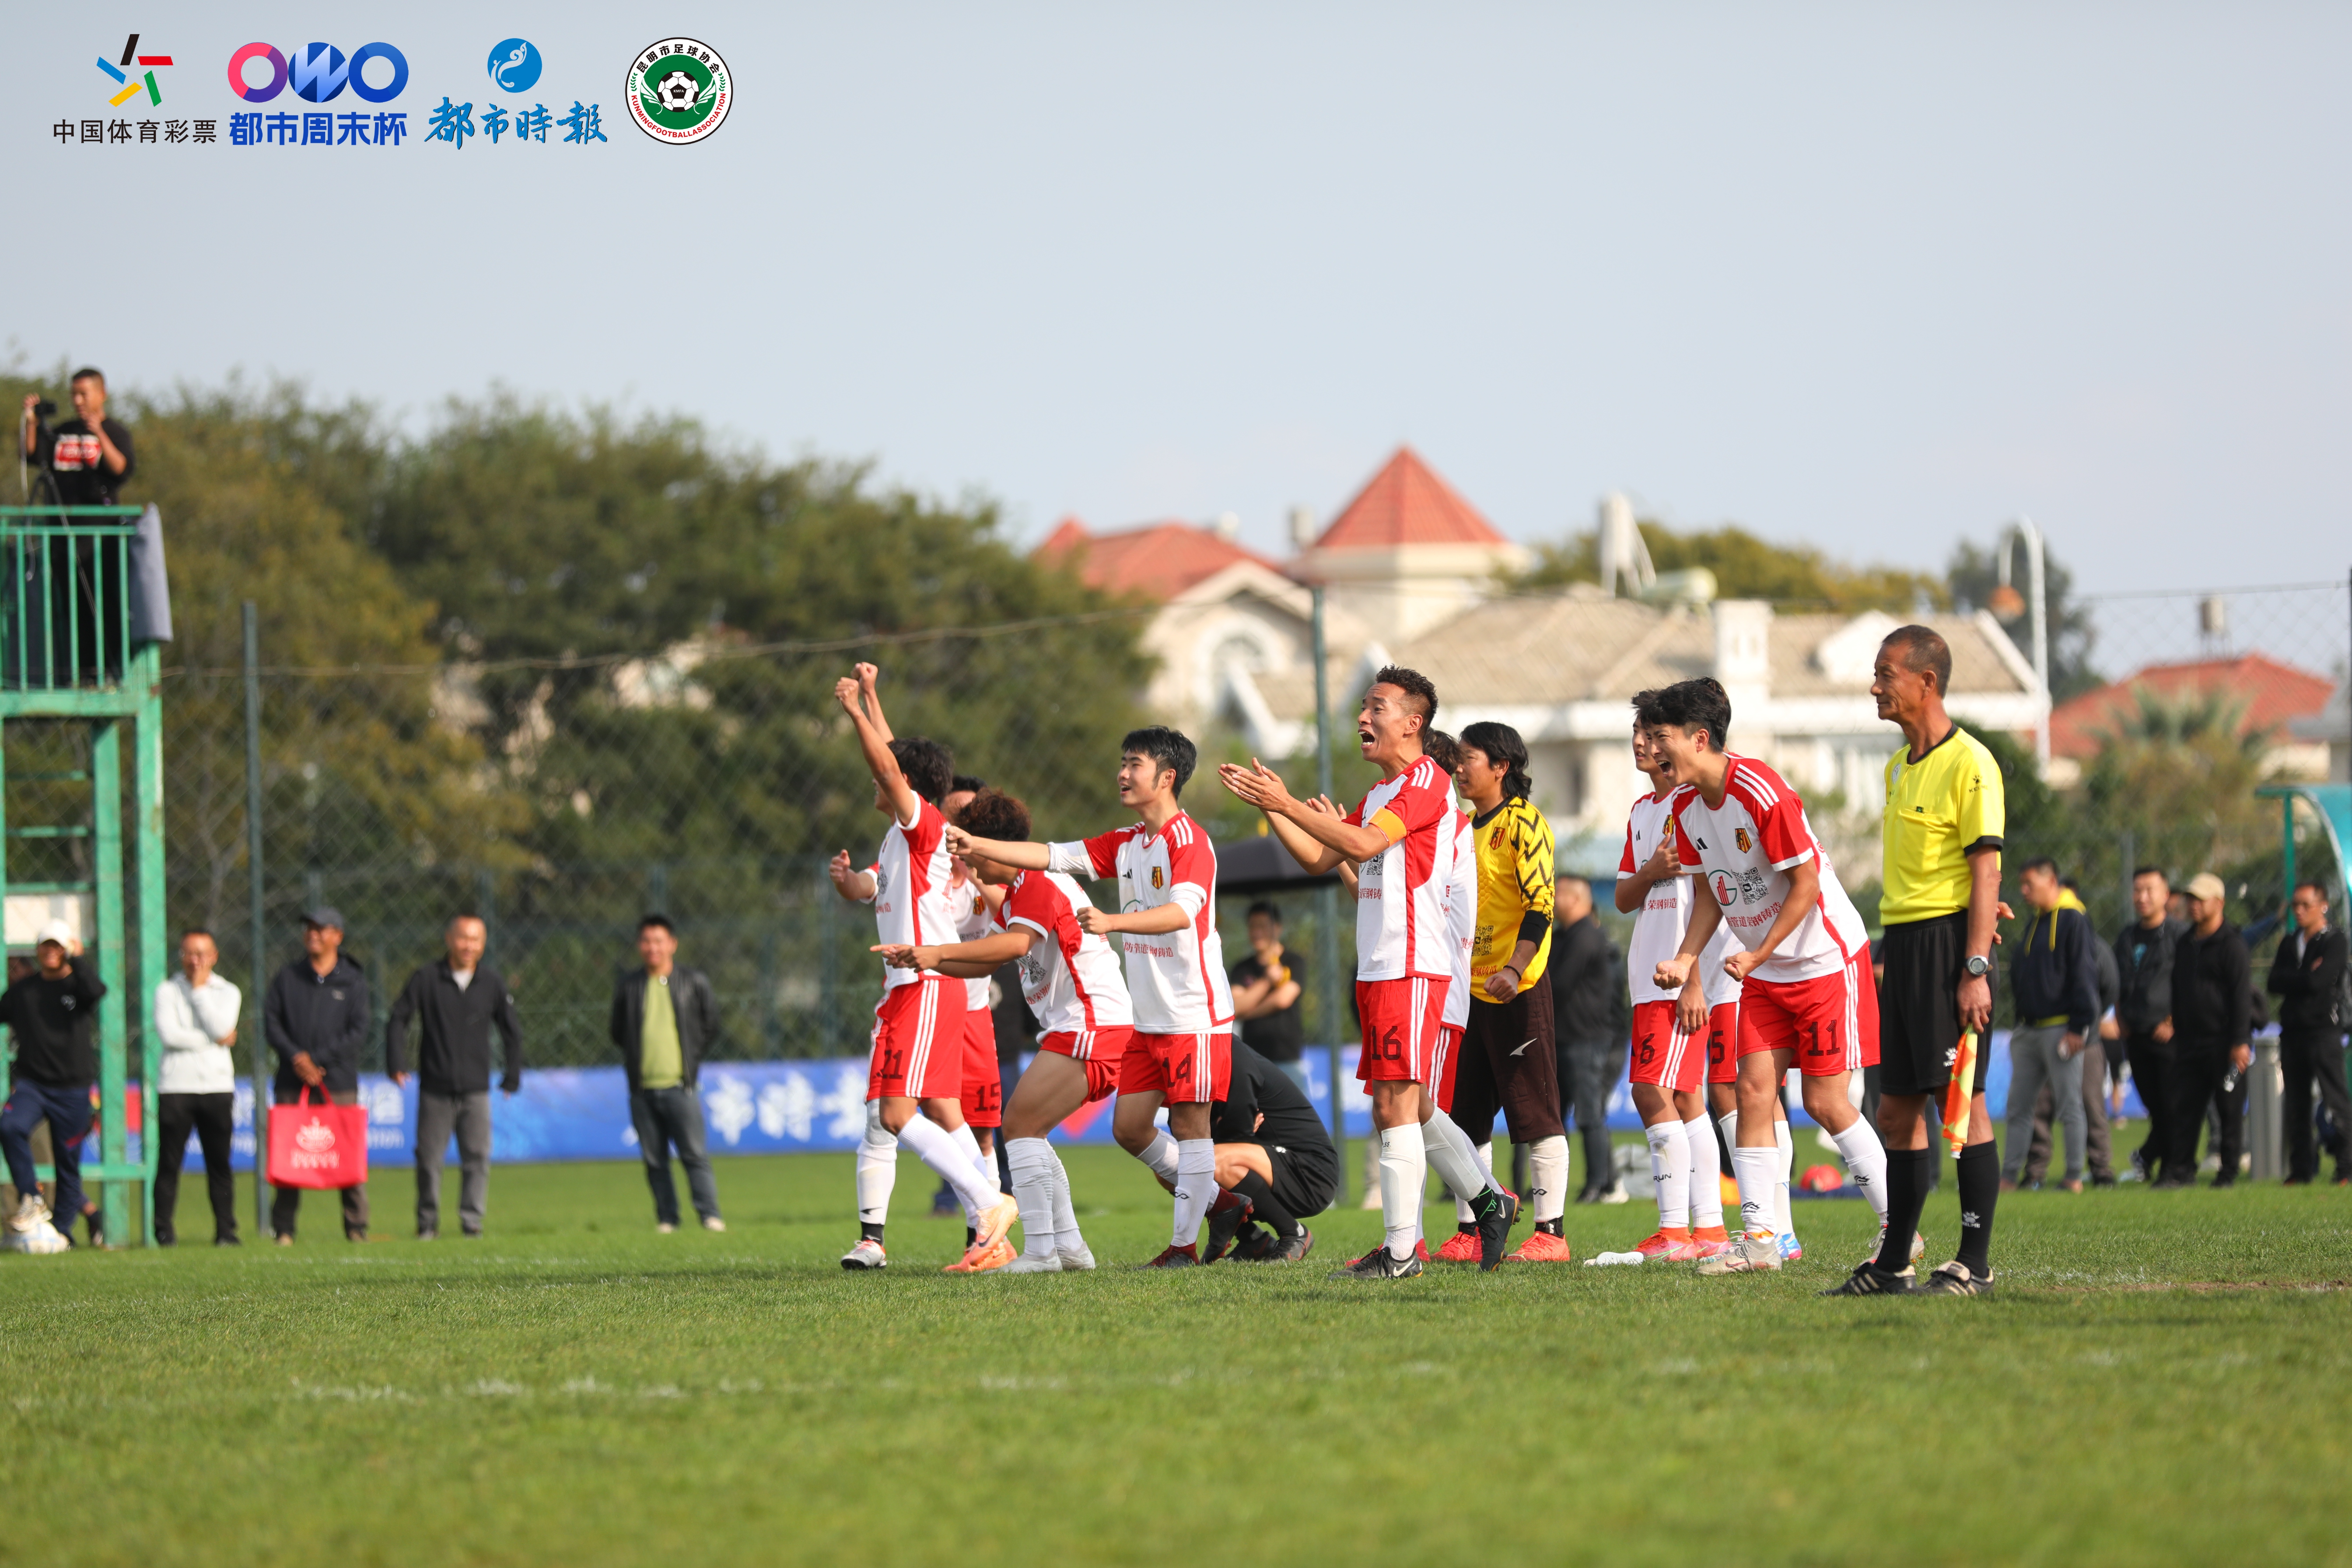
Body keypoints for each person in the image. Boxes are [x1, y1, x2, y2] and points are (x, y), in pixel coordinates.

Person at [1219, 666, 1519, 1279]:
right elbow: (1319, 859)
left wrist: (1286, 804)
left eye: (1376, 708)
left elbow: (1357, 846)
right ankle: (1490, 1202)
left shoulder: (1429, 782)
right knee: (1405, 1105)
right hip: (1381, 967)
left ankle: (1403, 1252)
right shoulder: (1379, 796)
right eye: (1363, 706)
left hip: (1416, 964)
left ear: (1413, 723)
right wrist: (1275, 807)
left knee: (1395, 1105)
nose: (1362, 718)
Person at [954, 725, 1239, 1269]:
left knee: (1190, 1127)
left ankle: (1183, 1247)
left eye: (1135, 763)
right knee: (1129, 1129)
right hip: (1145, 1018)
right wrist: (975, 846)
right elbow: (1052, 855)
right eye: (1123, 762)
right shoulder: (1129, 842)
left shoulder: (1190, 840)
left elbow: (1184, 912)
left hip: (1194, 1012)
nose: (1123, 773)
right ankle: (1225, 1204)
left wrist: (1113, 920)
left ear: (1167, 776)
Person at [1644, 678, 1889, 1282]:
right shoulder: (1683, 806)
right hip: (1765, 968)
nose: (1651, 749)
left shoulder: (1762, 792)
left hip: (1824, 962)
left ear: (1700, 740)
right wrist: (1687, 957)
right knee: (1752, 1091)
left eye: (1662, 737)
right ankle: (1759, 1240)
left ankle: (1897, 1227)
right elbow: (1708, 890)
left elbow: (1805, 884)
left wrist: (1761, 953)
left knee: (1825, 1103)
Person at [882, 787, 1130, 1273]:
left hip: (1092, 1024)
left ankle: (1042, 1252)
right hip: (1087, 1026)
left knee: (1018, 1126)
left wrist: (935, 954)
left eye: (974, 851)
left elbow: (1016, 946)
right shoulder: (1021, 891)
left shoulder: (1038, 884)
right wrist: (927, 962)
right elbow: (981, 963)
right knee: (1029, 1130)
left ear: (992, 847)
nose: (970, 866)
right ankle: (1071, 1249)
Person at [1831, 626, 2004, 1297]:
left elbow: (1984, 870)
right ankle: (1895, 1262)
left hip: (1949, 950)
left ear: (1926, 681)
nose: (1876, 687)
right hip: (1900, 945)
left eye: (1886, 674)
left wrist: (1976, 965)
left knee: (1962, 1104)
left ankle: (1975, 1263)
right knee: (1898, 1111)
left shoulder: (1973, 763)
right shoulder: (1898, 767)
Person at [826, 665, 1014, 1269]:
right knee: (937, 1112)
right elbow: (897, 762)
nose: (874, 778)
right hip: (911, 988)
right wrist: (875, 698)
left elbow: (889, 765)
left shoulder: (923, 825)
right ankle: (992, 1229)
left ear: (905, 786)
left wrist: (856, 711)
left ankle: (990, 1203)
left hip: (927, 986)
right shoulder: (898, 840)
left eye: (885, 776)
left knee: (895, 1114)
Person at [1439, 720, 1574, 1264]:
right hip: (1466, 991)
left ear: (1501, 767)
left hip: (1517, 989)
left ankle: (1552, 1234)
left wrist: (1516, 970)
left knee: (1536, 1114)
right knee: (1466, 1118)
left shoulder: (1525, 824)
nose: (1458, 768)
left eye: (1468, 758)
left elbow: (1542, 906)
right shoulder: (1462, 828)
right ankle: (1472, 1230)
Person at [1614, 710, 1740, 1263]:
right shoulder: (1644, 812)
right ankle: (1709, 1230)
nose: (1641, 743)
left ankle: (1674, 1230)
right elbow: (1623, 897)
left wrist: (1694, 980)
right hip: (1650, 973)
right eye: (1637, 734)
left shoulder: (1696, 807)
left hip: (1680, 978)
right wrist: (1652, 871)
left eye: (1653, 734)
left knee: (1650, 1091)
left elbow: (1713, 896)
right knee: (1688, 1099)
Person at [386, 915, 523, 1239]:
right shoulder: (427, 978)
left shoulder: (491, 982)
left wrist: (512, 1075)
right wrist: (396, 1061)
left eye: (476, 940)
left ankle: (472, 1220)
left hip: (476, 1089)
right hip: (435, 1087)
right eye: (463, 938)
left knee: (477, 1157)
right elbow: (397, 1019)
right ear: (449, 939)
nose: (469, 946)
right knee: (429, 1159)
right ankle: (427, 1223)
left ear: (483, 944)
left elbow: (512, 1032)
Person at [18, 369, 136, 685]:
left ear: (102, 394)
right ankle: (74, 673)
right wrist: (31, 422)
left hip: (101, 537)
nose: (78, 401)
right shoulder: (62, 432)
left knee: (104, 602)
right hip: (62, 535)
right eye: (74, 394)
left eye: (84, 394)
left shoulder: (115, 432)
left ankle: (109, 671)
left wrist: (98, 433)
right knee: (68, 605)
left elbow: (122, 469)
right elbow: (32, 456)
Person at [608, 914, 726, 1232]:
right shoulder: (629, 986)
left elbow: (710, 1024)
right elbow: (617, 1032)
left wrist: (690, 1058)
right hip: (642, 1089)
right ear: (639, 946)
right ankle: (667, 1218)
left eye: (659, 941)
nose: (652, 948)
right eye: (646, 941)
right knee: (655, 1159)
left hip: (681, 1086)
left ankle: (709, 1215)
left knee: (694, 1154)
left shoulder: (693, 981)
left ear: (672, 944)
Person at [263, 908, 372, 1244]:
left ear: (338, 936)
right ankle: (284, 1230)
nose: (312, 934)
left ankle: (356, 1227)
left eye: (320, 929)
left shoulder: (353, 980)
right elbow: (271, 1023)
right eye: (308, 929)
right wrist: (297, 1058)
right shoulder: (288, 977)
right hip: (291, 1080)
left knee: (347, 1153)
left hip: (337, 1081)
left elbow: (359, 1030)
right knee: (288, 1156)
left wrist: (319, 1060)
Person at [1998, 859, 2101, 1194]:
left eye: (2030, 884)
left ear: (2052, 881)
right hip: (2029, 1031)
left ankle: (2073, 1176)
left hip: (2062, 1029)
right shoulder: (2036, 922)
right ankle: (2009, 1177)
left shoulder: (2073, 920)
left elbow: (2086, 974)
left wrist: (2079, 1027)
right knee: (2019, 1107)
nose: (2024, 891)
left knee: (2070, 1105)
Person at [0, 922, 105, 1248]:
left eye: (58, 946)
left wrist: (77, 959)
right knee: (10, 1127)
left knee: (68, 1162)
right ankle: (31, 1197)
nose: (51, 952)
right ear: (37, 949)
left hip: (73, 1090)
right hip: (33, 1087)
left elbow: (97, 991)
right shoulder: (23, 991)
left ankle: (62, 1233)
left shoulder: (78, 986)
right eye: (46, 946)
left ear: (66, 950)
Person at [2022, 877, 2120, 1188]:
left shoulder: (2092, 942)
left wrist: (2084, 1024)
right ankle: (2035, 1172)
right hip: (2045, 1036)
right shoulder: (2037, 936)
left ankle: (2101, 1169)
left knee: (2090, 1103)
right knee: (2041, 1105)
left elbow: (2109, 987)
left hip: (2084, 1041)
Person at [1202, 1038, 1338, 1262]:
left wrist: (1218, 1130)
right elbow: (1185, 1130)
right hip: (1268, 1164)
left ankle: (1294, 1233)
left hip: (1311, 1173)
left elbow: (1236, 1134)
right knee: (1172, 1168)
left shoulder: (1232, 1056)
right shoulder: (1194, 1059)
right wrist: (1220, 1130)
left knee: (1211, 1161)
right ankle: (1253, 1240)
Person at [152, 928, 242, 1246]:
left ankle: (226, 1231)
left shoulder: (228, 991)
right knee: (169, 1163)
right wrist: (215, 1040)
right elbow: (170, 1036)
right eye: (190, 953)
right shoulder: (167, 990)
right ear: (181, 956)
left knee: (219, 1163)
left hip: (217, 1087)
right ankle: (163, 1231)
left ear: (214, 957)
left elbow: (223, 1027)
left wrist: (201, 992)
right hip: (176, 1088)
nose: (196, 961)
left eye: (202, 954)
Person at [2161, 873, 2252, 1189]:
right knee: (2185, 1109)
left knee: (2229, 1109)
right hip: (2190, 1042)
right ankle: (2180, 1171)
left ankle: (2228, 1173)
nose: (2193, 905)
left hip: (2225, 1042)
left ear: (2220, 903)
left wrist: (2240, 1041)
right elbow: (2179, 986)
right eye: (2191, 899)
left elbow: (2242, 996)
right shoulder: (2187, 943)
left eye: (2200, 899)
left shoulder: (2232, 945)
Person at [2269, 879, 2350, 1185]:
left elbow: (2322, 982)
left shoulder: (2335, 941)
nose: (2299, 911)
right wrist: (2305, 974)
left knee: (2336, 1101)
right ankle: (2301, 1170)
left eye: (2306, 905)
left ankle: (2346, 1168)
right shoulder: (2291, 942)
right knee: (2297, 1105)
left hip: (2323, 1032)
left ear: (2323, 906)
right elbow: (2274, 982)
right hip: (2292, 1033)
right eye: (2295, 905)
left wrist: (2300, 979)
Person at [1549, 874, 1624, 1204]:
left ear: (1579, 899)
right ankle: (1557, 1185)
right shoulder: (1561, 936)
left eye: (1561, 892)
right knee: (1558, 1116)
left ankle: (1600, 1183)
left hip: (1587, 1040)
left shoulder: (1587, 938)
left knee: (1589, 1114)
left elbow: (1560, 984)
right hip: (1563, 1039)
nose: (1554, 896)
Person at [2115, 869, 2185, 1182]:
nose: (2142, 897)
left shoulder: (2179, 936)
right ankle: (2150, 1160)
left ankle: (2172, 1169)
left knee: (2173, 1104)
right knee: (2156, 1107)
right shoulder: (2127, 937)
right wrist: (2119, 1017)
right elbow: (2117, 982)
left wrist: (2172, 1020)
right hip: (2136, 1034)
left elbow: (2190, 984)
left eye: (2149, 890)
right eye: (2137, 890)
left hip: (2169, 1036)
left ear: (2166, 895)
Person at [1229, 902, 1308, 1093]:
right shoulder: (1242, 969)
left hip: (1287, 1059)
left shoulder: (1293, 962)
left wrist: (1249, 1011)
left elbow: (1284, 999)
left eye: (1263, 926)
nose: (1257, 932)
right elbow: (1237, 1006)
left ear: (1277, 928)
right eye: (1252, 926)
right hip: (1252, 1059)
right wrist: (1266, 981)